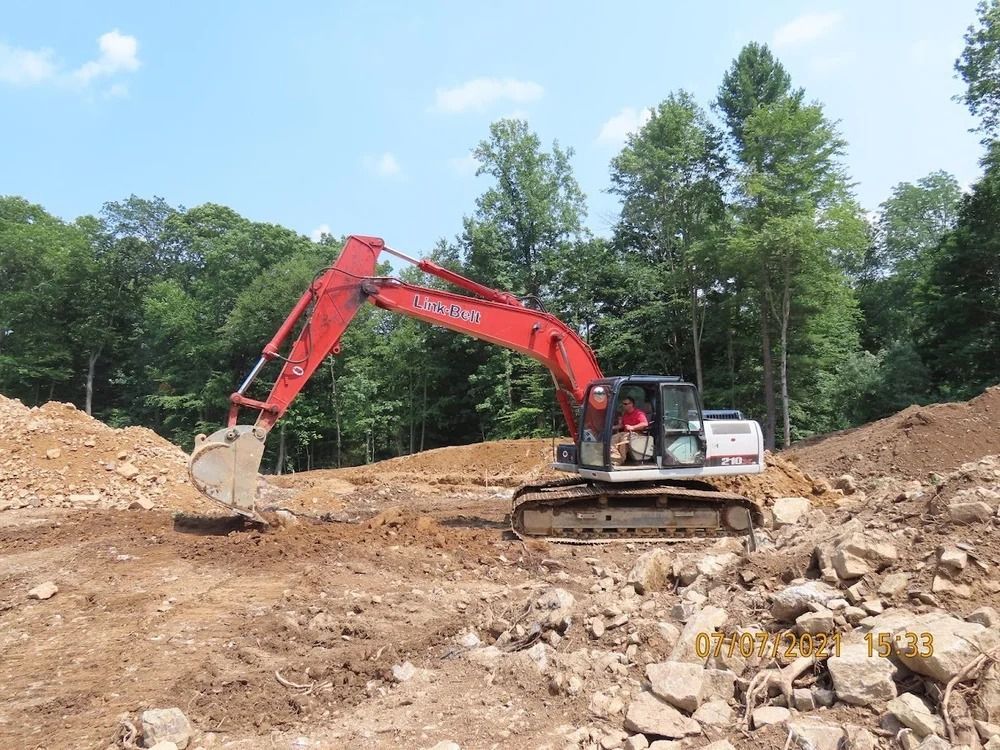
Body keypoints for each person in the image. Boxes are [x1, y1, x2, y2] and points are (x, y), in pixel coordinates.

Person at [610, 396, 648, 465]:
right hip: (625, 433)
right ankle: (615, 458)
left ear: (631, 404)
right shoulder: (625, 414)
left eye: (625, 404)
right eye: (623, 404)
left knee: (623, 443)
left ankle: (618, 461)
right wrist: (612, 427)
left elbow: (645, 423)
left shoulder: (639, 413)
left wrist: (633, 427)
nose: (623, 405)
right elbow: (622, 425)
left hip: (636, 434)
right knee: (612, 439)